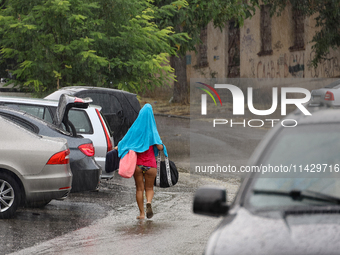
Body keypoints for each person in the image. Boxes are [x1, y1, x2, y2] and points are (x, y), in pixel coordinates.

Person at [116, 103, 167, 219]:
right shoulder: (152, 130)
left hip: (138, 165)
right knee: (149, 188)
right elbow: (160, 148)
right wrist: (158, 143)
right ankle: (149, 202)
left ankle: (142, 214)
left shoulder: (135, 129)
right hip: (151, 165)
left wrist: (118, 148)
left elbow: (125, 142)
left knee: (139, 189)